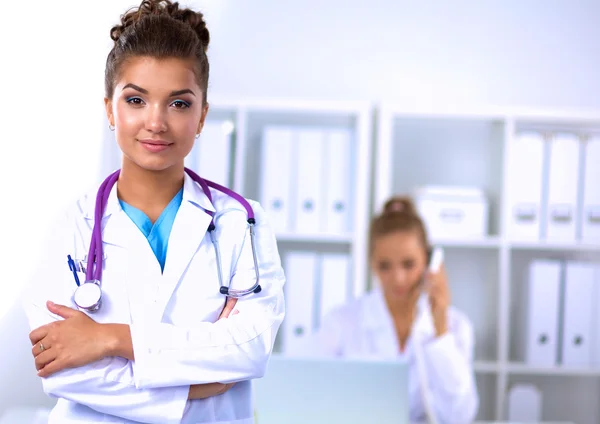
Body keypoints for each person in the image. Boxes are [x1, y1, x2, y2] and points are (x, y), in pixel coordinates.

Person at [21, 1, 285, 423]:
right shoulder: (71, 225)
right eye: (136, 100)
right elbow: (61, 372)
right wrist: (205, 381)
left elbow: (250, 351)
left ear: (202, 116)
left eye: (179, 104)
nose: (156, 122)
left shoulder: (242, 223)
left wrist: (113, 340)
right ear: (110, 108)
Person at [297, 196, 478, 424]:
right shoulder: (342, 321)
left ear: (429, 261)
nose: (398, 279)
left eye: (408, 264)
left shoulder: (456, 326)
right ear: (372, 263)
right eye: (385, 266)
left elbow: (460, 416)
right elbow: (302, 391)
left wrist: (440, 330)